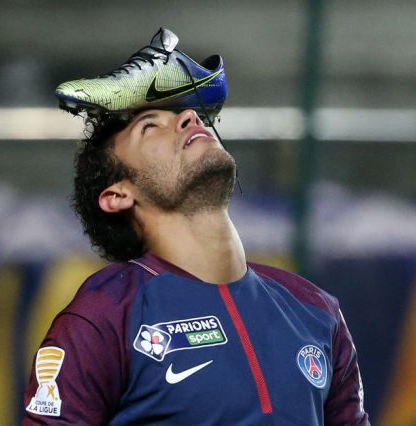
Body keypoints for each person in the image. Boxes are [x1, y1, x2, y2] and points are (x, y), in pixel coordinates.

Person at [23, 28, 369, 425]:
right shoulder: (105, 316)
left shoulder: (316, 311)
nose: (189, 117)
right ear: (118, 195)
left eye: (191, 115)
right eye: (150, 126)